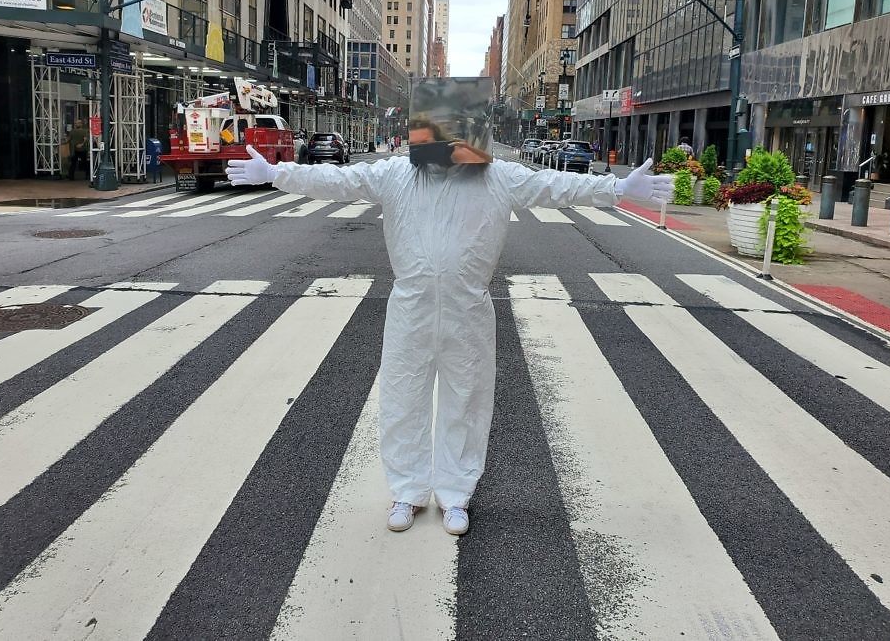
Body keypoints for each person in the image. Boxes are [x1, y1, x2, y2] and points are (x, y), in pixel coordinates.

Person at [226, 83, 672, 537]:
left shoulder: (498, 177)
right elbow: (339, 181)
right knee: (404, 396)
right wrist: (278, 173)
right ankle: (407, 491)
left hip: (469, 308)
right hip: (411, 306)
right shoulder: (397, 175)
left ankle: (456, 496)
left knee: (467, 398)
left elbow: (556, 185)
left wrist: (616, 188)